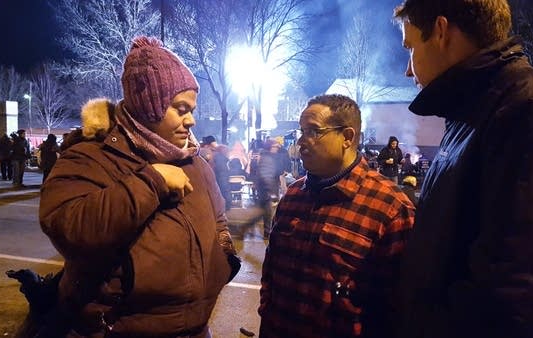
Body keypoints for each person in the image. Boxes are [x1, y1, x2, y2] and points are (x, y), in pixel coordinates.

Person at [392, 1, 533, 338]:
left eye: (410, 47)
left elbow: (515, 290)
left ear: (441, 31)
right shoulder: (477, 109)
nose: (407, 71)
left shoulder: (531, 106)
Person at [38, 36, 240, 337]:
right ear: (150, 106)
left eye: (192, 109)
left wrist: (223, 256)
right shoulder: (91, 155)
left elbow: (218, 218)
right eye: (181, 108)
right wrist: (152, 182)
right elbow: (67, 226)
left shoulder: (195, 163)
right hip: (118, 330)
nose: (191, 121)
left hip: (195, 330)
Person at [259, 94, 414, 337]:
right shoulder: (293, 195)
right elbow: (271, 271)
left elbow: (399, 309)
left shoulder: (391, 208)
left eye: (313, 131)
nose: (301, 141)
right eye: (302, 131)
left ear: (347, 137)